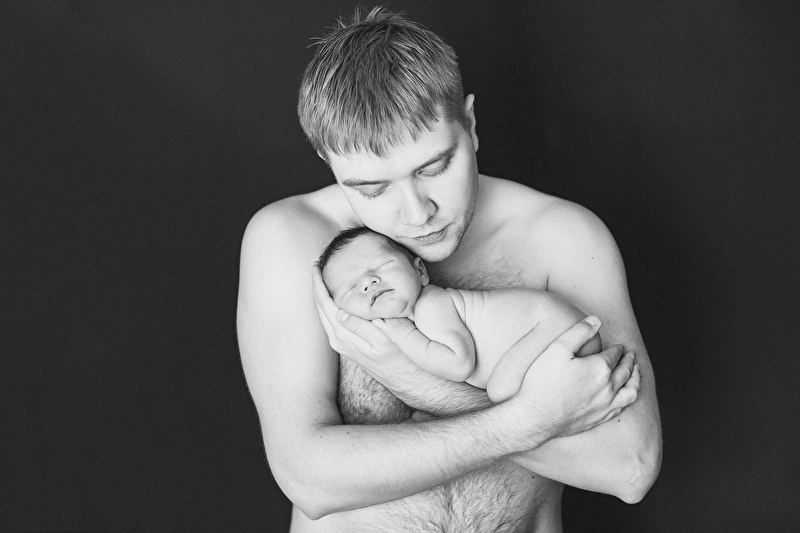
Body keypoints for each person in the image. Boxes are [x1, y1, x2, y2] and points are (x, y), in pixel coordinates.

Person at [237, 7, 662, 532]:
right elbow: (308, 479)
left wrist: (414, 380)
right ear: (330, 160)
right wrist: (531, 419)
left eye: (435, 167)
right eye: (373, 189)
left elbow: (629, 467)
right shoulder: (290, 238)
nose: (417, 214)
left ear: (471, 125)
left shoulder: (561, 238)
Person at [318, 225, 634, 404]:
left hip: (554, 327)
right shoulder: (425, 312)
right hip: (554, 328)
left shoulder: (431, 306)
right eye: (351, 288)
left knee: (501, 392)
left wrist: (402, 335)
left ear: (420, 272)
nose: (369, 283)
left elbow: (459, 364)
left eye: (380, 267)